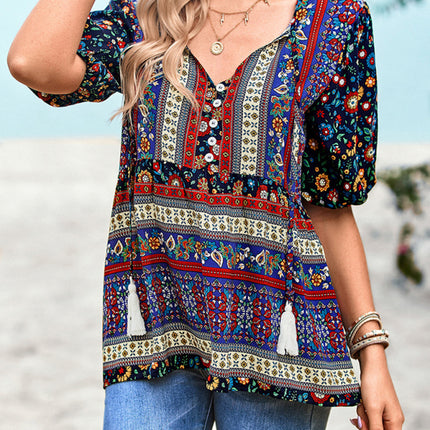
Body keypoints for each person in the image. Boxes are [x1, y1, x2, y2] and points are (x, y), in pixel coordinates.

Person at [8, 0, 404, 429]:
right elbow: (34, 63)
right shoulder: (143, 12)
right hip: (154, 328)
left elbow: (328, 208)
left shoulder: (335, 20)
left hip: (277, 342)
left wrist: (372, 353)